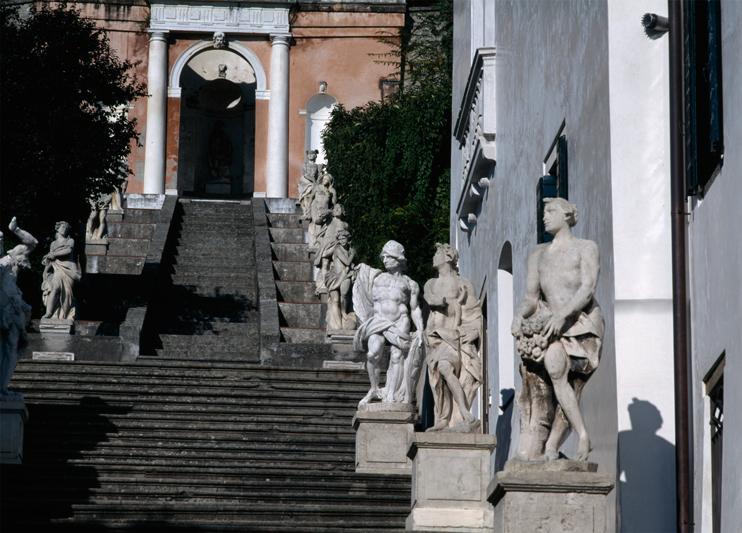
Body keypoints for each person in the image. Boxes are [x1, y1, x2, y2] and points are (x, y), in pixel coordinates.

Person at [511, 197, 603, 461]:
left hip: (582, 324)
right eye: (543, 212)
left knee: (569, 382)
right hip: (551, 327)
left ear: (567, 215)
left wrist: (563, 313)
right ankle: (577, 436)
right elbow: (531, 298)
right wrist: (519, 316)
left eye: (551, 211)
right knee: (555, 369)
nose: (545, 216)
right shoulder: (537, 255)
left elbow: (588, 288)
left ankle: (560, 441)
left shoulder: (585, 248)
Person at [353, 240, 424, 406]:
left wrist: (420, 330)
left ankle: (391, 395)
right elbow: (365, 295)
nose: (384, 260)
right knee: (373, 354)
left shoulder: (410, 284)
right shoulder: (377, 278)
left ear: (398, 259)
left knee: (397, 357)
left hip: (400, 321)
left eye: (388, 257)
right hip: (378, 321)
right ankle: (374, 388)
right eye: (383, 257)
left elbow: (414, 309)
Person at [423, 243, 483, 432]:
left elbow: (474, 313)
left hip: (452, 336)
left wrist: (472, 330)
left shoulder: (463, 283)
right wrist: (455, 301)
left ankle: (464, 413)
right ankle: (443, 418)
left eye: (437, 253)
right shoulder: (430, 284)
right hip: (434, 338)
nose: (434, 256)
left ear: (448, 257)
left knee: (444, 367)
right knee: (438, 378)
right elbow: (432, 300)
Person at [41, 221, 82, 320]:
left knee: (67, 293)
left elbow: (68, 251)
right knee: (54, 289)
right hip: (57, 269)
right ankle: (49, 313)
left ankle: (65, 313)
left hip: (69, 270)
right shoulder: (53, 244)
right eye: (63, 227)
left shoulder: (70, 240)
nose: (64, 229)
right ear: (58, 228)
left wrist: (54, 254)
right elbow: (50, 260)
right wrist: (45, 271)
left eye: (66, 228)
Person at [325, 229, 357, 330]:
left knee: (344, 295)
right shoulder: (338, 249)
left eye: (344, 238)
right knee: (335, 299)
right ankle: (336, 323)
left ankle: (344, 312)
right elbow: (347, 262)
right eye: (340, 239)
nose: (342, 240)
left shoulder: (348, 250)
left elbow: (349, 265)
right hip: (334, 277)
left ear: (348, 239)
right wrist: (353, 254)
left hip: (345, 275)